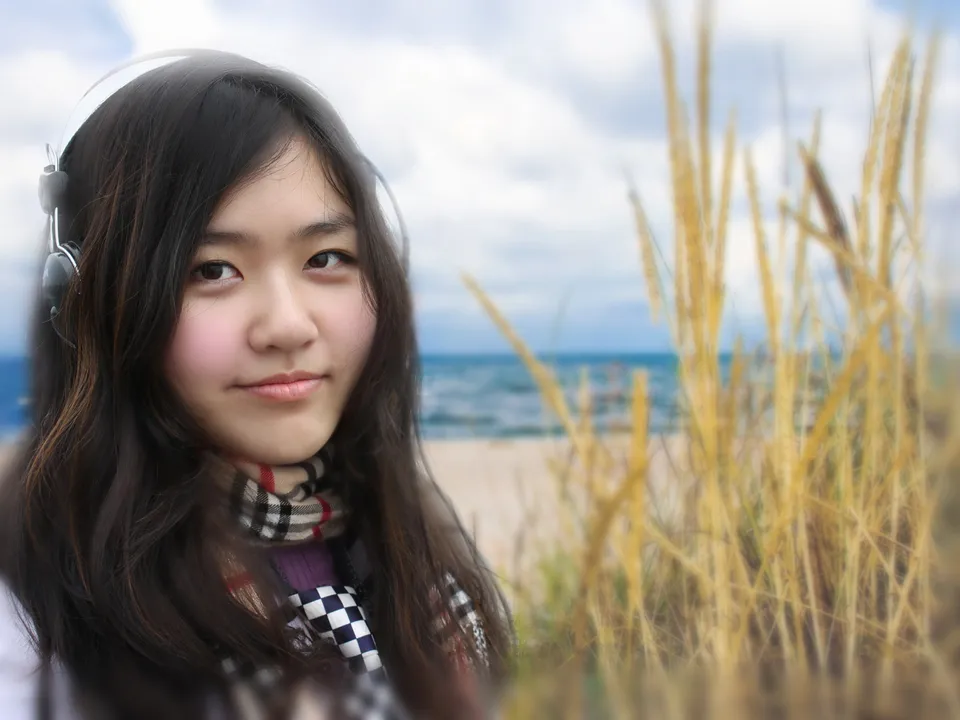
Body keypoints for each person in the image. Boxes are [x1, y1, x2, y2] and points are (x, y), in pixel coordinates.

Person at [0, 50, 513, 720]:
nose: (288, 326)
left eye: (326, 258)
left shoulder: (410, 561)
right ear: (83, 297)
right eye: (212, 270)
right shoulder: (37, 629)